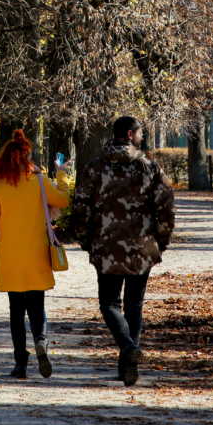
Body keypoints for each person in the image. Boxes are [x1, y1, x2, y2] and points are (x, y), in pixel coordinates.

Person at [72, 115, 175, 386]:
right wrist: (160, 242)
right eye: (140, 133)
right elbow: (165, 207)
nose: (142, 137)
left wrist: (85, 240)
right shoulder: (149, 167)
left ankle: (128, 353)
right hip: (141, 248)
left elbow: (81, 206)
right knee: (134, 305)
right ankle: (130, 355)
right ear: (130, 134)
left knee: (108, 303)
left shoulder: (95, 167)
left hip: (106, 247)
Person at [0, 130, 69, 379]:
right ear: (28, 157)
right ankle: (41, 341)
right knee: (37, 306)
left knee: (16, 312)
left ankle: (20, 363)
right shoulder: (39, 181)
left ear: (3, 159)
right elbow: (63, 200)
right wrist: (62, 175)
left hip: (11, 259)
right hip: (36, 255)